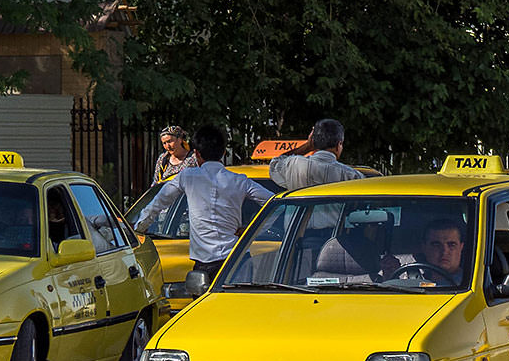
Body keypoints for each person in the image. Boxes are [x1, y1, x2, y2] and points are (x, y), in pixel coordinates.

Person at [134, 125, 272, 280]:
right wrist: (253, 228)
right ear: (224, 152)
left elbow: (158, 203)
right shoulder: (240, 181)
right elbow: (276, 202)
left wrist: (139, 228)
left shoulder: (187, 177)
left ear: (196, 154)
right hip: (238, 261)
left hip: (205, 263)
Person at [271, 118, 363, 193]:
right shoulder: (353, 176)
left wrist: (308, 146)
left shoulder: (294, 164)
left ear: (313, 142)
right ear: (339, 145)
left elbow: (274, 164)